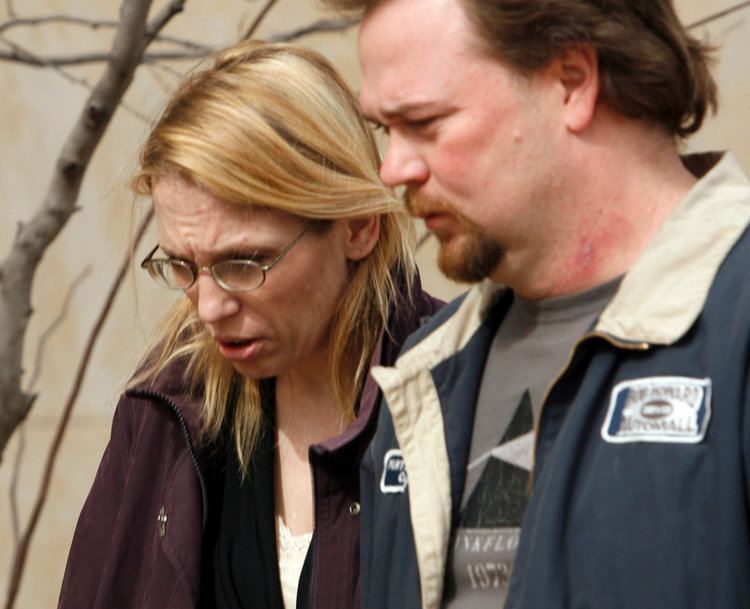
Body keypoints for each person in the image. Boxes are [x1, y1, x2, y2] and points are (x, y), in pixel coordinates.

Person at [322, 0, 750, 608]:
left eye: (425, 121)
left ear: (572, 82)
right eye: (384, 129)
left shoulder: (735, 322)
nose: (394, 168)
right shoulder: (424, 374)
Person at [57, 41, 441, 609]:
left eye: (244, 264)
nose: (208, 306)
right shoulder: (164, 409)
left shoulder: (461, 390)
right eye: (183, 266)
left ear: (358, 228)